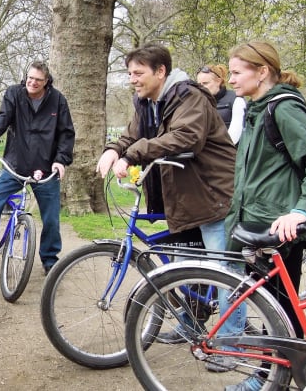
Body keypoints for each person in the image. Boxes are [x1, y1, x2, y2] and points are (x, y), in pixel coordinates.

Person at [96, 44, 241, 359]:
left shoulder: (190, 97)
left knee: (223, 271)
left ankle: (232, 344)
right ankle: (190, 326)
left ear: (160, 71)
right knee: (183, 266)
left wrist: (134, 153)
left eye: (138, 73)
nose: (132, 79)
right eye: (129, 73)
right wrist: (113, 149)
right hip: (184, 197)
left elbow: (186, 136)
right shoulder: (147, 102)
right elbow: (131, 136)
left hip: (213, 194)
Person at [223, 41, 306, 391]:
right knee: (274, 307)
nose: (231, 79)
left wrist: (299, 211)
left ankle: (273, 378)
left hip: (279, 228)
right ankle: (284, 375)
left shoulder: (283, 109)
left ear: (262, 71)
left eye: (237, 72)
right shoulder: (256, 109)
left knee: (280, 310)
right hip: (255, 223)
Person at [0, 60, 75, 274]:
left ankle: (49, 260)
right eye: (30, 78)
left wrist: (61, 159)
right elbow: (2, 120)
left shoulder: (58, 100)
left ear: (46, 81)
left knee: (50, 217)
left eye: (38, 80)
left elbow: (66, 133)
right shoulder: (14, 94)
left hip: (46, 168)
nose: (32, 82)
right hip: (15, 164)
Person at [196, 64, 246, 145]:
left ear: (218, 81)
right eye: (199, 85)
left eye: (206, 83)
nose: (202, 88)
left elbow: (234, 137)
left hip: (230, 152)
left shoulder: (236, 99)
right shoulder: (197, 103)